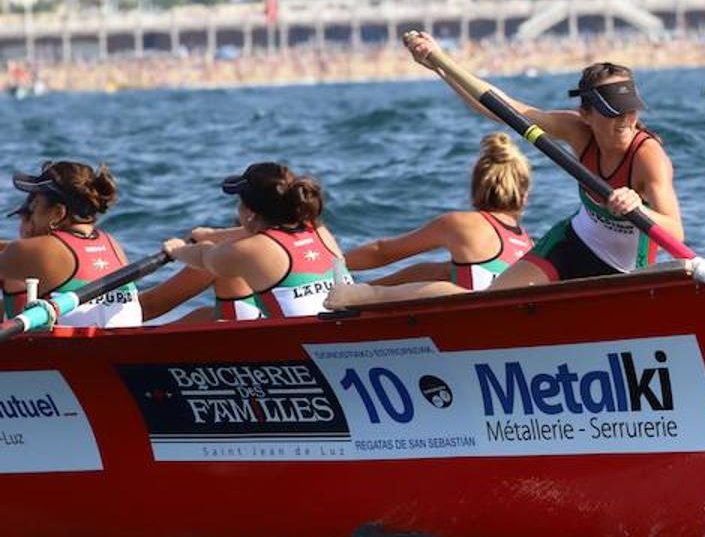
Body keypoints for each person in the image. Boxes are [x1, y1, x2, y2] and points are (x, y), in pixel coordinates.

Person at [400, 30, 682, 288]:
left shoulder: (647, 156)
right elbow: (504, 110)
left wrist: (638, 208)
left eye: (630, 110)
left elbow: (675, 233)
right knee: (496, 298)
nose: (625, 121)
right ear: (586, 114)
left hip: (625, 270)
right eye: (613, 111)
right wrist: (440, 64)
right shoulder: (578, 132)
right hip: (571, 245)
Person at [330, 132, 532, 308]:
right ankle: (357, 291)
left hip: (474, 319)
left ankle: (360, 296)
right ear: (524, 194)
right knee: (437, 271)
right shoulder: (527, 242)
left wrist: (331, 265)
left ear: (475, 186)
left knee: (441, 275)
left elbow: (383, 252)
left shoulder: (461, 224)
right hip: (509, 315)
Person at [161, 162, 350, 319]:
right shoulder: (318, 230)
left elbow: (204, 256)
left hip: (306, 346)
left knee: (205, 317)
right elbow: (264, 236)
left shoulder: (246, 251)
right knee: (203, 315)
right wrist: (209, 234)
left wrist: (176, 250)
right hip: (346, 331)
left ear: (250, 212)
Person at [0, 160, 141, 328]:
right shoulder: (112, 244)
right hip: (120, 348)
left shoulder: (40, 250)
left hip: (73, 350)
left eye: (35, 207)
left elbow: (21, 254)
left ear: (57, 213)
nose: (31, 214)